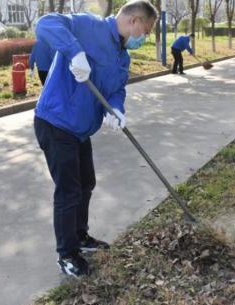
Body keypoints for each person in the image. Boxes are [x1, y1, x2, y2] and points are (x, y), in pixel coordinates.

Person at [33, 0, 158, 278]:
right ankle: (67, 255)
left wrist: (117, 110)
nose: (144, 37)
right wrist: (74, 52)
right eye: (146, 31)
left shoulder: (122, 56)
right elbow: (45, 24)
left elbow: (116, 90)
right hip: (56, 122)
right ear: (134, 22)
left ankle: (80, 237)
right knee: (69, 191)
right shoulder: (89, 26)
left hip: (79, 129)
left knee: (86, 184)